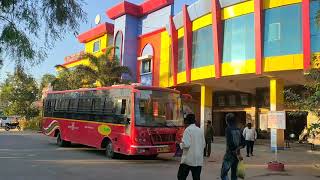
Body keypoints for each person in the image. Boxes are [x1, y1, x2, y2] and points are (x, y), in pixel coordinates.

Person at [177, 114, 205, 180]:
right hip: (198, 159)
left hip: (188, 159)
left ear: (187, 122)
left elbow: (186, 145)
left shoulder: (187, 130)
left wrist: (180, 144)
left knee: (181, 177)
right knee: (196, 178)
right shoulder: (200, 130)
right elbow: (203, 144)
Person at [221, 113, 245, 180]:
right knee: (234, 175)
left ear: (227, 121)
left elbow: (230, 143)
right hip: (237, 156)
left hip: (229, 154)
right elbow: (244, 142)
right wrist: (238, 150)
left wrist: (234, 150)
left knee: (223, 174)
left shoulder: (228, 129)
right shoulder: (238, 129)